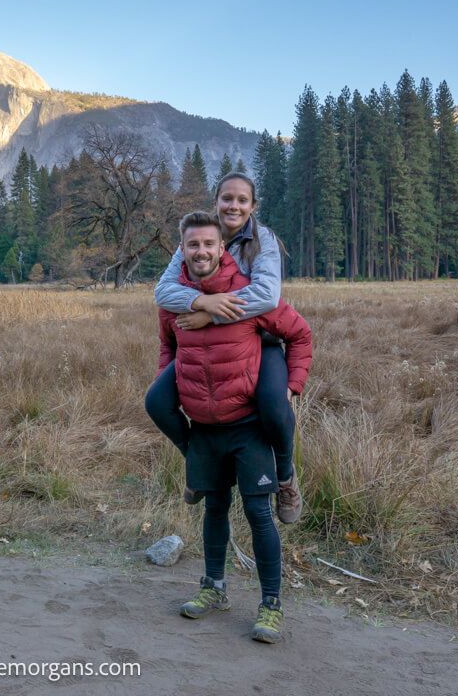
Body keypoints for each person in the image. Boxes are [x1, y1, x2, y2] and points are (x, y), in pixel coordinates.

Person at [156, 210, 313, 643]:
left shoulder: (249, 297)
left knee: (259, 512)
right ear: (181, 250)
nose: (202, 251)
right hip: (204, 426)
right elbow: (168, 350)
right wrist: (171, 390)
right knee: (213, 508)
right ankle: (214, 589)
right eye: (193, 245)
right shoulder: (173, 300)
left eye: (209, 244)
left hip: (247, 426)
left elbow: (300, 333)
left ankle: (271, 606)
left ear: (222, 247)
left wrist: (292, 386)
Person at [149, 172, 302, 523]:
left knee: (273, 405)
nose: (233, 205)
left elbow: (267, 296)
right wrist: (202, 304)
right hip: (208, 345)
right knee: (157, 401)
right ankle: (199, 461)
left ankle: (285, 475)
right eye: (227, 198)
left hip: (260, 342)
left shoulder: (262, 239)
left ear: (252, 206)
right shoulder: (201, 236)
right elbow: (163, 292)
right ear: (216, 201)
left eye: (242, 200)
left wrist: (212, 314)